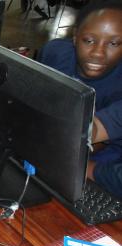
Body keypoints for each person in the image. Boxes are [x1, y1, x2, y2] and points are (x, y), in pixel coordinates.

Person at [38, 0, 122, 198]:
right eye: (89, 40)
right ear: (75, 37)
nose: (98, 54)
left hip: (103, 170)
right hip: (53, 151)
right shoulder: (55, 52)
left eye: (114, 43)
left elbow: (92, 131)